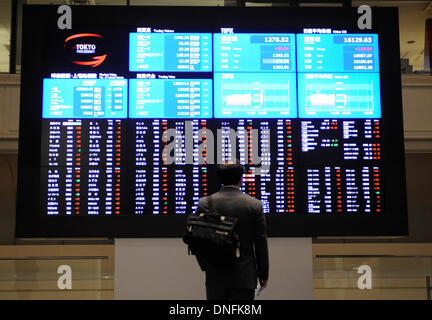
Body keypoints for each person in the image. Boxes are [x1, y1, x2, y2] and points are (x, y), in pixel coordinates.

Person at [195, 161, 269, 300]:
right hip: (245, 276)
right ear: (241, 178)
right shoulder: (254, 205)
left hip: (216, 275)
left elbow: (198, 240)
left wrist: (207, 266)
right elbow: (260, 244)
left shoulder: (205, 203)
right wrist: (263, 274)